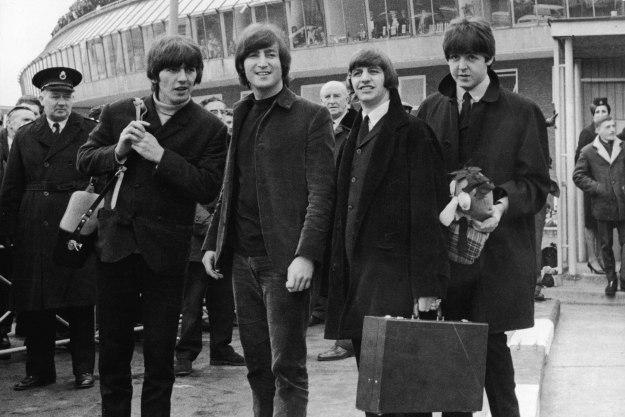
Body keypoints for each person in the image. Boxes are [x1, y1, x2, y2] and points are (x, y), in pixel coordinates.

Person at [76, 35, 227, 416]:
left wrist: (163, 157)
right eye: (173, 69)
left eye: (190, 69)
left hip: (167, 251)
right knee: (114, 348)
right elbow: (84, 160)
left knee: (160, 352)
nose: (183, 78)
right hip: (116, 246)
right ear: (155, 74)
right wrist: (118, 151)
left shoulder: (209, 127)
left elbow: (209, 187)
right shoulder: (120, 112)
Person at [416, 18, 551, 417]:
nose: (461, 66)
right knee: (453, 357)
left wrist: (501, 206)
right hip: (446, 256)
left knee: (493, 351)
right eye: (454, 57)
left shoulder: (522, 111)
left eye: (472, 57)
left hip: (497, 253)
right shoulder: (431, 108)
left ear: (490, 59)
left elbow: (537, 184)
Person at [201, 23, 335, 417]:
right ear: (242, 66)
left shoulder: (311, 116)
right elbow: (233, 185)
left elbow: (322, 194)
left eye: (270, 55)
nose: (262, 63)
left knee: (287, 368)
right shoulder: (241, 112)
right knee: (257, 366)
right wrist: (212, 241)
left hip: (284, 263)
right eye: (253, 56)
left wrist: (306, 255)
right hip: (242, 261)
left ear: (283, 63)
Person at [324, 48, 449, 417]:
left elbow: (427, 214)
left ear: (389, 79)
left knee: (407, 398)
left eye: (373, 71)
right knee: (375, 397)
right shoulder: (353, 135)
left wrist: (426, 287)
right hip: (358, 284)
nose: (364, 78)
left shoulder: (413, 132)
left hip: (398, 285)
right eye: (357, 72)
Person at [0, 67, 98, 390]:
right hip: (34, 224)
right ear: (41, 98)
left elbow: (102, 177)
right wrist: (9, 231)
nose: (61, 102)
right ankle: (40, 370)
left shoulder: (90, 130)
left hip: (75, 219)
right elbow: (11, 187)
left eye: (67, 96)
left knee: (80, 299)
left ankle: (84, 369)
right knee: (36, 302)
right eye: (55, 96)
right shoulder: (26, 135)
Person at [173, 200, 245, 376]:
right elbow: (191, 202)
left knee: (223, 300)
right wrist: (216, 229)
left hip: (221, 244)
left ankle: (220, 348)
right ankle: (185, 354)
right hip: (197, 244)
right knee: (192, 303)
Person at [313, 80, 357, 362]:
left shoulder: (355, 127)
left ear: (348, 99)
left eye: (337, 96)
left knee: (345, 275)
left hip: (345, 210)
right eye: (326, 96)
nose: (331, 101)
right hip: (322, 209)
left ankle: (346, 340)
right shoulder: (319, 128)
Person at [0, 105, 38, 357]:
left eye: (34, 118)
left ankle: (30, 329)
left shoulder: (37, 145)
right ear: (10, 123)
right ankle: (2, 331)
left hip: (30, 225)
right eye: (25, 119)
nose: (30, 123)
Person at [573, 115, 625, 296]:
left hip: (623, 204)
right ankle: (611, 279)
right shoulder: (588, 151)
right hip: (602, 206)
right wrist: (596, 187)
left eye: (613, 126)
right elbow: (578, 175)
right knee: (606, 245)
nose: (612, 129)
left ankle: (624, 277)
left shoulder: (623, 147)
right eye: (607, 127)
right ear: (597, 130)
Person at [575, 97, 611, 274]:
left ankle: (602, 258)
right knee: (590, 223)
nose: (601, 114)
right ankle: (592, 259)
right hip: (591, 186)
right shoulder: (587, 133)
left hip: (607, 186)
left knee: (602, 222)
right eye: (598, 112)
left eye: (604, 111)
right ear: (593, 115)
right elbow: (578, 161)